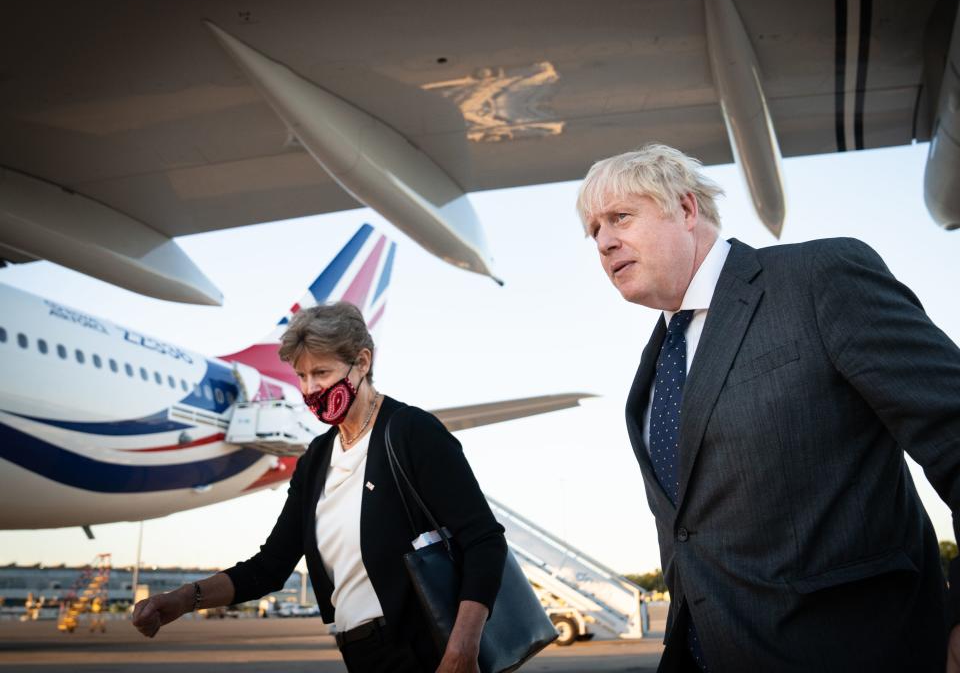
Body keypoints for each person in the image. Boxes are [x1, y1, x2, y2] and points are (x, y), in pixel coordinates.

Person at [576, 143, 960, 672]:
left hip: (852, 649)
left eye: (620, 217)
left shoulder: (817, 279)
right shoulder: (658, 359)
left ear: (686, 210)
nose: (604, 241)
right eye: (593, 229)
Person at [132, 302, 507, 673]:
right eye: (301, 375)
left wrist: (461, 651)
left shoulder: (411, 431)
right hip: (360, 654)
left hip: (424, 653)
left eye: (322, 372)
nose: (310, 389)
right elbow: (270, 566)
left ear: (362, 362)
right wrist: (185, 598)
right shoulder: (316, 459)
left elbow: (485, 540)